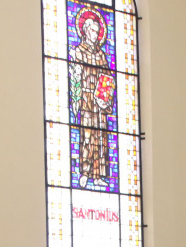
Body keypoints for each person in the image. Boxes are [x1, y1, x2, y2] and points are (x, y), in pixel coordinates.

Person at [70, 9, 113, 189]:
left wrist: (106, 98)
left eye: (97, 32)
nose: (95, 35)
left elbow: (108, 79)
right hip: (87, 100)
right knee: (87, 137)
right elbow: (74, 78)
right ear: (86, 31)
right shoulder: (77, 52)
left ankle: (98, 175)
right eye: (92, 31)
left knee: (101, 139)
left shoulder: (102, 55)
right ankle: (84, 173)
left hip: (99, 103)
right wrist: (76, 97)